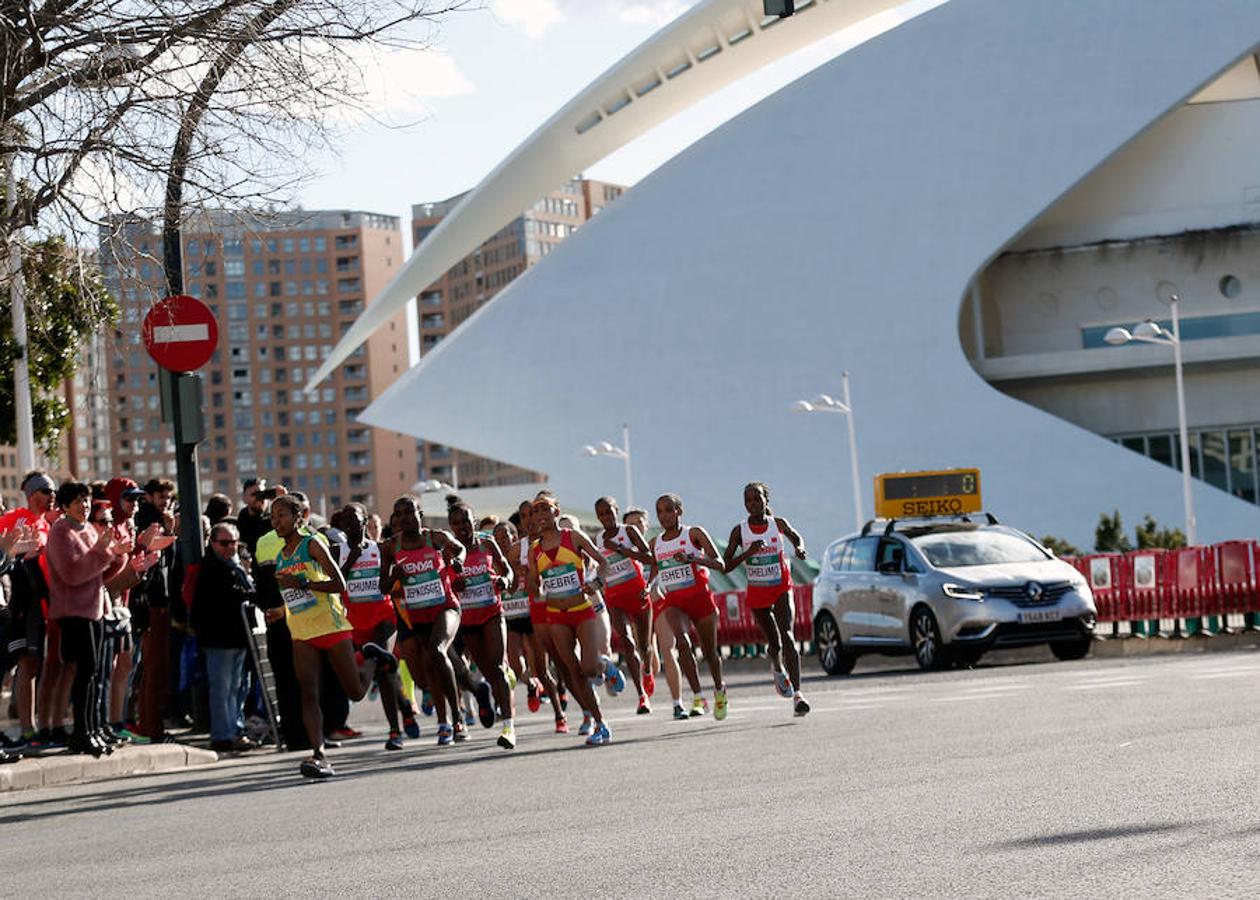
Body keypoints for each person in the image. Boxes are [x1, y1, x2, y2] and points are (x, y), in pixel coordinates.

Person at [266, 495, 391, 778]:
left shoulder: (313, 544)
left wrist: (304, 582)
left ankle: (370, 656)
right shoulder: (279, 556)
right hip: (301, 632)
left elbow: (339, 583)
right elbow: (293, 596)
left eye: (282, 515)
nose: (276, 521)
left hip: (331, 626)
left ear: (298, 517)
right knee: (309, 693)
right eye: (273, 517)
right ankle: (319, 755)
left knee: (356, 692)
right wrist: (279, 611)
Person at [526, 495, 621, 747]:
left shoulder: (573, 537)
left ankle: (604, 665)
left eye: (546, 508)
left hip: (582, 610)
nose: (541, 514)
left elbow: (603, 562)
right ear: (533, 518)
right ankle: (601, 724)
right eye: (536, 511)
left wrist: (597, 582)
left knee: (588, 668)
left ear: (556, 511)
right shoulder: (535, 550)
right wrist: (534, 587)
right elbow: (534, 582)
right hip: (556, 616)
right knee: (572, 672)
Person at [45, 481, 129, 756]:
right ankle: (80, 732)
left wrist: (118, 555)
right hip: (72, 611)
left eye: (87, 500)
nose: (84, 506)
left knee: (93, 671)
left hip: (94, 609)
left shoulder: (89, 529)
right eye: (78, 501)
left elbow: (101, 572)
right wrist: (105, 553)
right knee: (85, 670)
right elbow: (72, 573)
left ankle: (91, 729)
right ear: (65, 505)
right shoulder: (61, 531)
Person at [379, 494, 467, 746]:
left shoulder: (434, 538)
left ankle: (458, 715)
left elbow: (458, 548)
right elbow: (383, 588)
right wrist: (394, 575)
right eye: (399, 514)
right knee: (430, 671)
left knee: (438, 651)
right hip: (417, 616)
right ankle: (443, 722)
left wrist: (458, 561)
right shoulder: (389, 547)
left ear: (420, 514)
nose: (405, 518)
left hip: (445, 608)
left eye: (410, 512)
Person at [721, 482, 811, 716]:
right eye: (748, 500)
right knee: (774, 643)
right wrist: (749, 553)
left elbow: (795, 537)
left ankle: (799, 696)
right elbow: (726, 565)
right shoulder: (739, 531)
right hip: (758, 591)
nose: (753, 504)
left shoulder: (777, 524)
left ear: (766, 501)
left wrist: (799, 549)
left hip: (781, 586)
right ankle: (778, 668)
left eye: (757, 499)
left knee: (788, 635)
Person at [337, 502, 410, 751]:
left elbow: (390, 583)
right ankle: (406, 706)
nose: (348, 526)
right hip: (356, 623)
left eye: (354, 520)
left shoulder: (381, 548)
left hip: (384, 617)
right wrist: (351, 560)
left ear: (365, 521)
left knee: (384, 668)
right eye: (344, 522)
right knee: (383, 667)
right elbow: (335, 583)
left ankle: (394, 732)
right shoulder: (338, 550)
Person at [649, 493, 729, 721]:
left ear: (679, 512)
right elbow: (652, 565)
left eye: (668, 510)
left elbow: (720, 564)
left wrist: (693, 559)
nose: (664, 516)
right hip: (675, 601)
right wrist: (647, 585)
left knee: (710, 653)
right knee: (682, 644)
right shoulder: (656, 543)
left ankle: (719, 690)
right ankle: (697, 697)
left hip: (701, 600)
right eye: (660, 511)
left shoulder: (694, 533)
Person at [447, 499, 517, 749]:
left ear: (473, 521)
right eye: (456, 523)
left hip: (491, 612)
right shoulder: (448, 550)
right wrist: (453, 585)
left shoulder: (487, 543)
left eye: (466, 521)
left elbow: (507, 570)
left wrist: (504, 581)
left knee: (497, 668)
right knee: (488, 673)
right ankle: (497, 693)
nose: (462, 527)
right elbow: (442, 581)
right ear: (450, 527)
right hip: (467, 619)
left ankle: (508, 728)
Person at [191, 522, 259, 752]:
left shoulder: (233, 565)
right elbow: (229, 596)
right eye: (224, 543)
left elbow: (247, 591)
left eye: (233, 542)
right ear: (212, 543)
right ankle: (222, 734)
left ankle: (234, 728)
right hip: (219, 639)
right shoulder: (212, 568)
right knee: (222, 687)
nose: (230, 547)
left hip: (237, 637)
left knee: (236, 687)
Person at [0, 472, 55, 750]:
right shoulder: (15, 518)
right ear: (33, 494)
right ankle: (27, 728)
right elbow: (3, 551)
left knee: (34, 664)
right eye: (47, 491)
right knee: (24, 663)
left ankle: (37, 726)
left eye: (54, 490)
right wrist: (21, 553)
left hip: (42, 605)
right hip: (19, 606)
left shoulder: (46, 523)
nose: (52, 496)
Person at [493, 519, 565, 731]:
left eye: (505, 538)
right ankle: (533, 685)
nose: (501, 543)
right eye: (497, 540)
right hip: (510, 619)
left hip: (530, 615)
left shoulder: (524, 555)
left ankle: (560, 715)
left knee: (542, 669)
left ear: (514, 538)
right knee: (516, 666)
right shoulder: (494, 561)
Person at [594, 496, 654, 714]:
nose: (606, 517)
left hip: (637, 593)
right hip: (614, 597)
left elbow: (648, 558)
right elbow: (598, 566)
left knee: (645, 647)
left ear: (616, 511)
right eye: (601, 514)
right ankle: (642, 696)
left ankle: (647, 670)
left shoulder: (628, 531)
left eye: (609, 512)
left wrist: (620, 550)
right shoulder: (598, 538)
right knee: (627, 644)